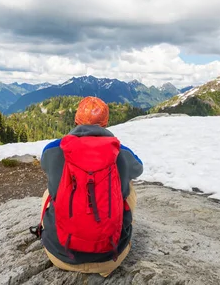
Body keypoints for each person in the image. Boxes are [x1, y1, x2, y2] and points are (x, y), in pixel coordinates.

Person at [33, 96, 143, 277]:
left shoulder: (53, 149)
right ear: (105, 122)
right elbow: (138, 169)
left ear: (76, 119)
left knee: (51, 191)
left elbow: (45, 165)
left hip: (60, 255)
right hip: (111, 258)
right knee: (128, 187)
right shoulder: (120, 151)